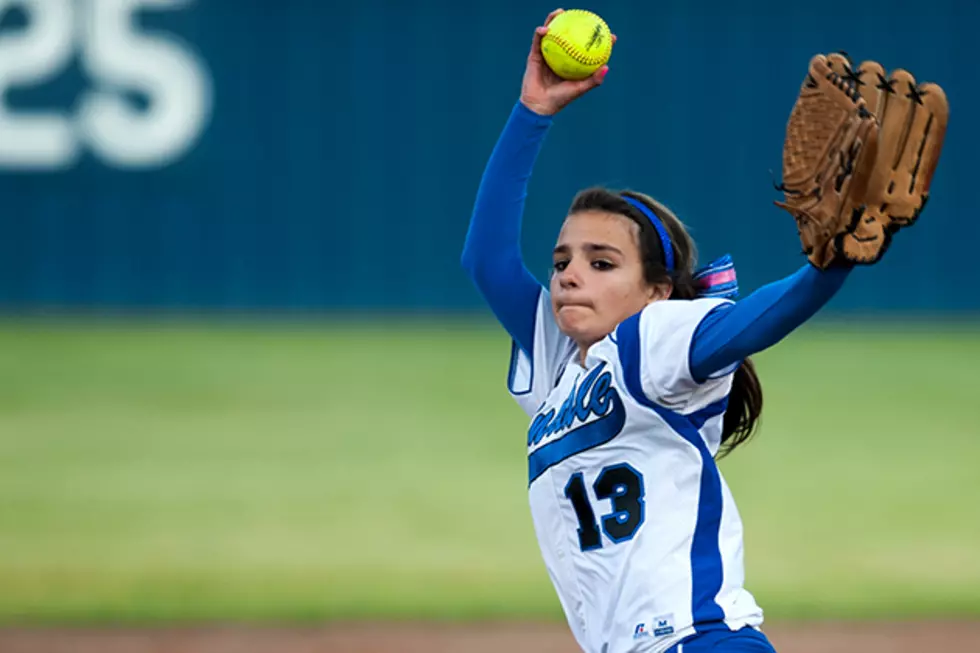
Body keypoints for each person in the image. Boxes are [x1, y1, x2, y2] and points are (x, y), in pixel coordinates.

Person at [460, 10, 852, 653]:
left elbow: (757, 320)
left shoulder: (657, 338)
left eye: (601, 262)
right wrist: (533, 110)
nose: (569, 276)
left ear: (657, 291)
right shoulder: (559, 365)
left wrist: (828, 269)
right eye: (561, 261)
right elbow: (487, 260)